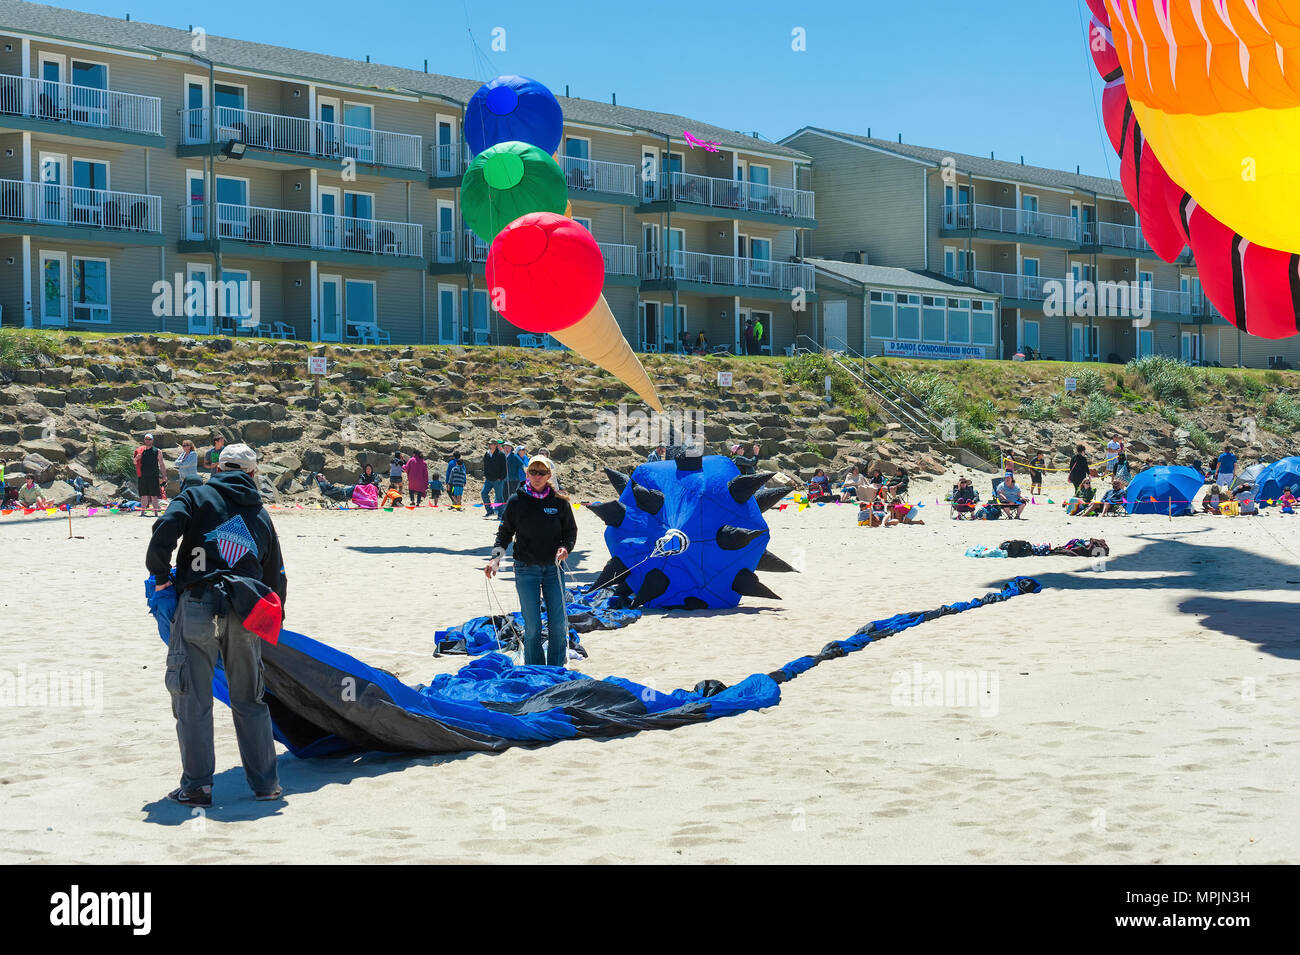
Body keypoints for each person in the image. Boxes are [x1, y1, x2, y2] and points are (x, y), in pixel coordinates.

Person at [146, 443, 286, 807]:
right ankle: (266, 785)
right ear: (252, 474)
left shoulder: (196, 495)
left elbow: (164, 528)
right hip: (244, 609)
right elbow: (275, 576)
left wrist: (161, 577)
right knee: (249, 699)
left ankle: (197, 787)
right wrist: (273, 617)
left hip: (198, 603)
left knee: (192, 699)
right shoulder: (259, 511)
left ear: (217, 467)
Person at [485, 455, 577, 667]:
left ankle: (555, 669)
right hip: (526, 569)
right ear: (526, 473)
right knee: (533, 626)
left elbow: (570, 531)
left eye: (541, 472)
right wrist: (495, 560)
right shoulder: (516, 501)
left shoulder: (559, 501)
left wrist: (566, 547)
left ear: (549, 475)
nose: (537, 476)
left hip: (554, 570)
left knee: (558, 624)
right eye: (533, 472)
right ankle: (535, 668)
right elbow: (504, 533)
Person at [134, 433, 167, 517]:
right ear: (144, 440)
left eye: (149, 439)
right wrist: (136, 458)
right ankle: (142, 512)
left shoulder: (157, 451)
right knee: (143, 495)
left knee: (154, 495)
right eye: (146, 439)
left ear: (152, 440)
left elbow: (162, 464)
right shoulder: (140, 451)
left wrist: (164, 476)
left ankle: (156, 513)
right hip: (142, 476)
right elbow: (134, 462)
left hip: (153, 476)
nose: (148, 441)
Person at [481, 439, 508, 520]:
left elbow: (504, 468)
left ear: (495, 445)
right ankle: (490, 511)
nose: (489, 445)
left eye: (491, 444)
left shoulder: (501, 455)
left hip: (498, 480)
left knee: (499, 497)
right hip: (489, 479)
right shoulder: (487, 454)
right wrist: (485, 474)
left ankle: (500, 514)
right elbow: (485, 465)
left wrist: (501, 478)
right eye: (489, 444)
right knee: (484, 493)